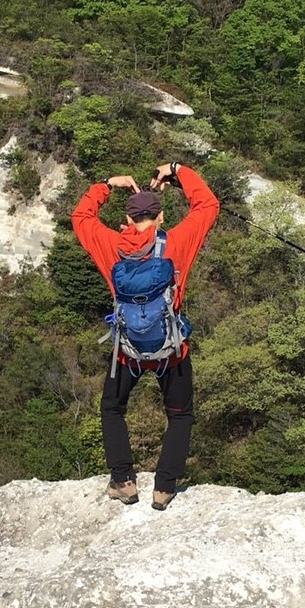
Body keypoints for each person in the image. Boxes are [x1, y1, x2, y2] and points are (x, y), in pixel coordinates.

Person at [71, 160, 219, 510]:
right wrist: (176, 170)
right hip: (172, 349)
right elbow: (207, 204)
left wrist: (108, 183)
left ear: (127, 219)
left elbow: (81, 216)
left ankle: (124, 481)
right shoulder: (177, 241)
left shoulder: (111, 244)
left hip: (127, 351)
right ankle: (164, 487)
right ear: (161, 217)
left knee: (112, 408)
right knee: (179, 414)